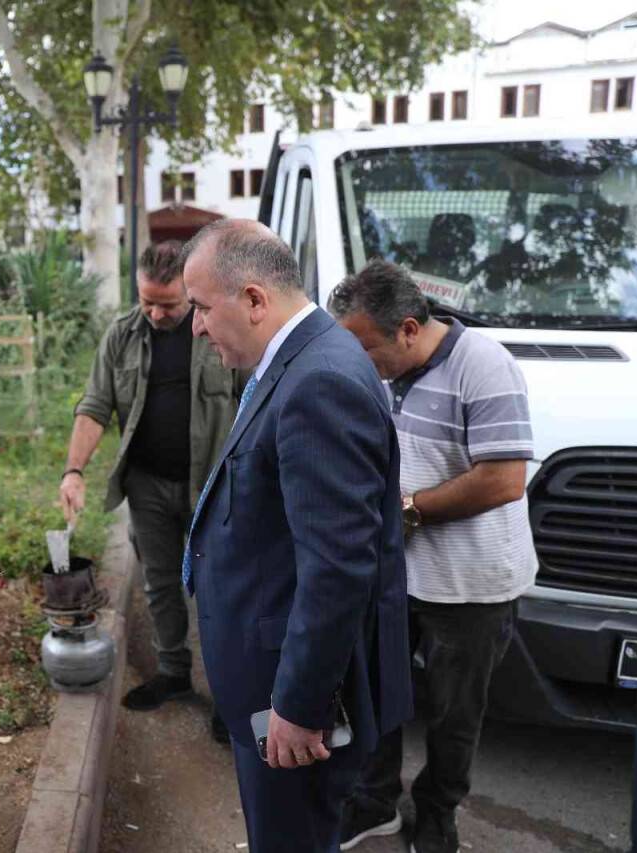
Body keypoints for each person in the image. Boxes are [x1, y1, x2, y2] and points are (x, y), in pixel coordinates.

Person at [181, 220, 413, 852]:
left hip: (288, 699)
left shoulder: (319, 380)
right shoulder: (299, 361)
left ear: (255, 299)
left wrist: (299, 706)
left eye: (202, 307)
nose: (196, 326)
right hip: (271, 672)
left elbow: (338, 569)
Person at [329, 260, 537, 853]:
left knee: (453, 715)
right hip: (396, 573)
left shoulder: (485, 366)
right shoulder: (382, 370)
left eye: (366, 349)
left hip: (471, 585)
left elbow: (504, 479)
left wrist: (410, 510)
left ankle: (438, 812)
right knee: (377, 692)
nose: (357, 362)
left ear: (409, 330)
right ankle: (375, 802)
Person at [60, 239, 237, 732]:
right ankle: (173, 672)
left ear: (190, 292)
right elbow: (95, 405)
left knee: (219, 591)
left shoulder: (220, 331)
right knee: (160, 585)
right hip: (147, 485)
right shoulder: (121, 336)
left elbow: (254, 398)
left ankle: (228, 695)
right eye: (147, 302)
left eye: (169, 304)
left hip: (213, 488)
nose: (157, 314)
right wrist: (73, 471)